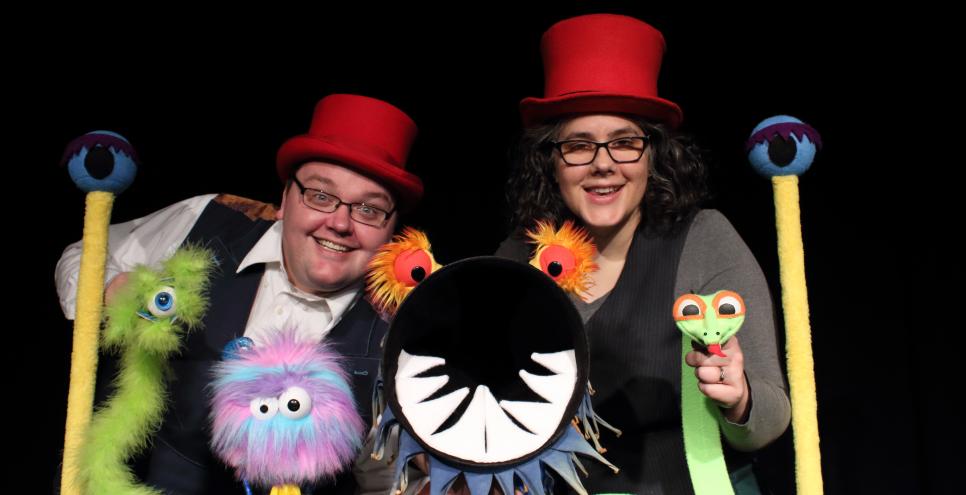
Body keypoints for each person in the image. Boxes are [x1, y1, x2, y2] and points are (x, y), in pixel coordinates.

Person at [55, 93, 421, 494]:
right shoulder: (210, 220)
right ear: (284, 199)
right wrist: (117, 291)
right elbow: (85, 253)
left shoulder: (399, 336)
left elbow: (384, 480)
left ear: (391, 230)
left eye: (369, 210)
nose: (339, 223)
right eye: (320, 194)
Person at [497, 14, 791, 494]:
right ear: (550, 161)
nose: (603, 164)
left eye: (625, 142)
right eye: (578, 145)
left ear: (654, 154)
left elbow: (770, 420)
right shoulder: (516, 260)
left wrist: (738, 399)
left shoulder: (704, 239)